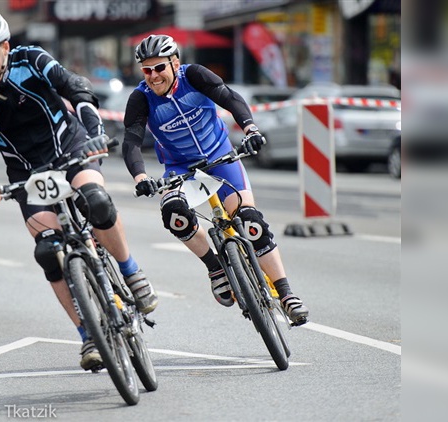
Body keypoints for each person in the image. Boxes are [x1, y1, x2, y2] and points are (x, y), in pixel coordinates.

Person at [0, 12, 159, 371]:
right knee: (47, 250)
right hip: (27, 174)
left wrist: (93, 130)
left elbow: (75, 88)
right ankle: (88, 335)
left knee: (98, 203)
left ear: (4, 46)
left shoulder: (31, 59)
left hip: (72, 148)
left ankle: (130, 270)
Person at [122, 34, 309, 325]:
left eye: (159, 68)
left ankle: (286, 293)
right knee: (174, 215)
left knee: (250, 221)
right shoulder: (140, 98)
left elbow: (229, 97)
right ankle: (216, 268)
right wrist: (140, 176)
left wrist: (250, 129)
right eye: (146, 70)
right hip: (180, 168)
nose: (153, 76)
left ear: (175, 62)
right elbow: (131, 142)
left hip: (220, 156)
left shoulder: (194, 76)